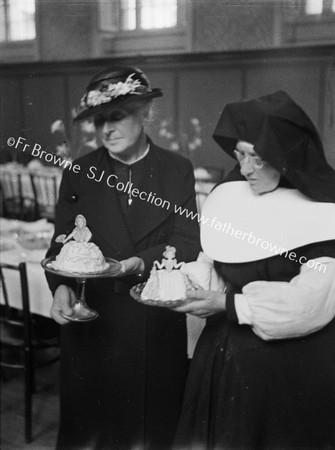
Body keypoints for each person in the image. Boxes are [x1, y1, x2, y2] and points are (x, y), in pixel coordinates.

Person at [45, 65, 201, 450]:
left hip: (153, 320)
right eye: (99, 121)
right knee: (93, 431)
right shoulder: (80, 173)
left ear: (145, 112)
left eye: (116, 117)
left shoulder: (176, 170)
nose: (106, 130)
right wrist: (62, 286)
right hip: (93, 323)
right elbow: (60, 245)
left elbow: (187, 241)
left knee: (149, 430)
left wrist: (139, 262)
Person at [170, 91, 335, 449]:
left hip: (285, 370)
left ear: (286, 158)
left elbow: (309, 303)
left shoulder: (325, 214)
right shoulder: (235, 197)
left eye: (257, 158)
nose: (245, 170)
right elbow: (214, 261)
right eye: (240, 155)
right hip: (221, 359)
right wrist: (186, 283)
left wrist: (228, 305)